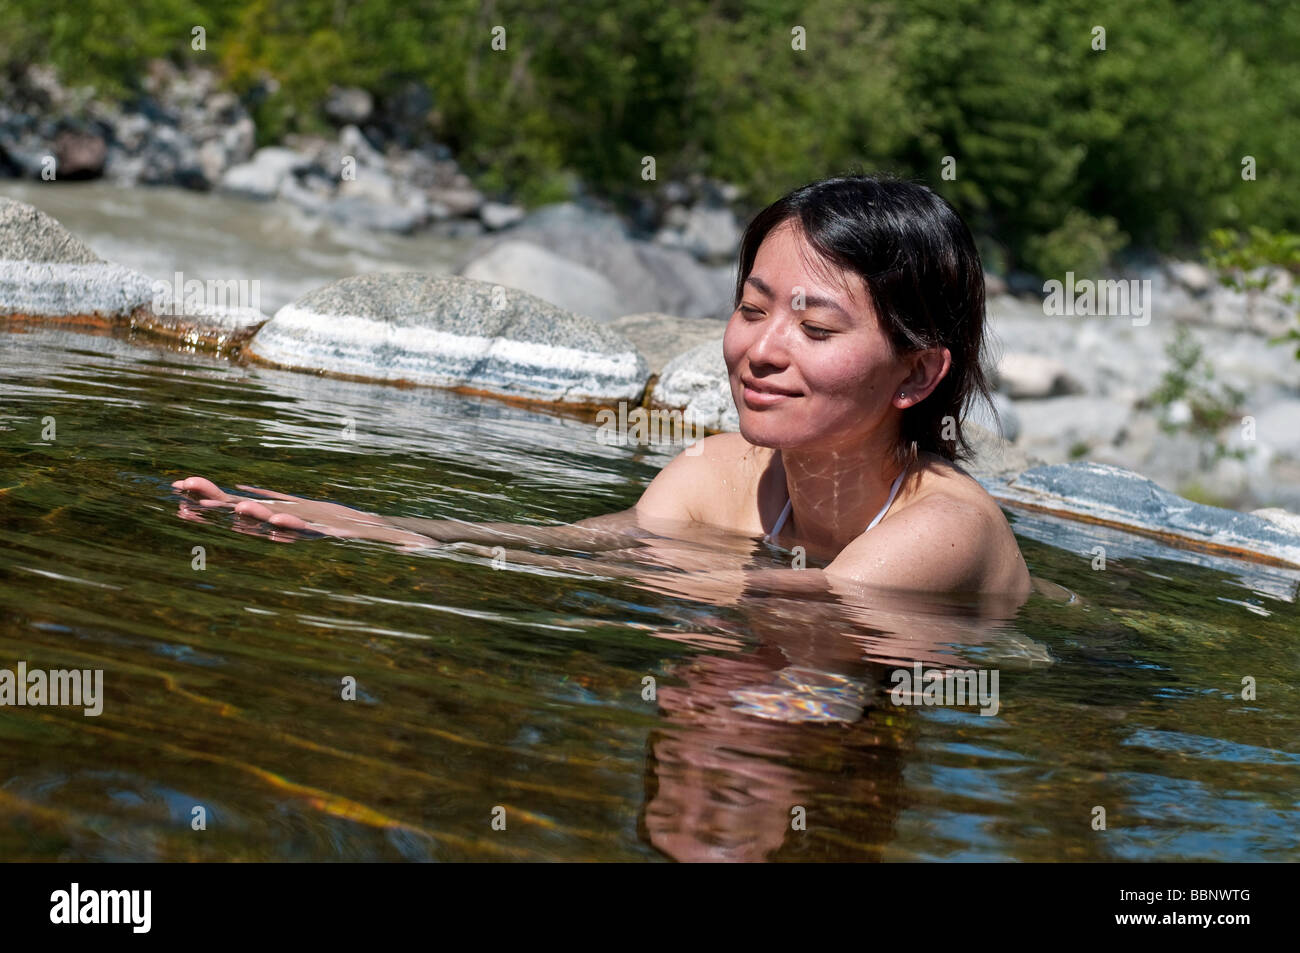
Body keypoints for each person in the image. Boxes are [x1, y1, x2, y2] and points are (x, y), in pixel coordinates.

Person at [172, 173, 1030, 605]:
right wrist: (387, 529)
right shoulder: (718, 475)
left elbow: (799, 605)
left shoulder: (942, 527)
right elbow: (583, 541)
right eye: (750, 309)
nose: (760, 351)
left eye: (814, 328)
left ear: (918, 371)